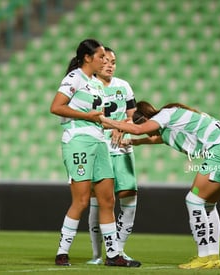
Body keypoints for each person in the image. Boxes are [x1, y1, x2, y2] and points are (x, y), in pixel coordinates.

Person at [100, 101, 220, 270]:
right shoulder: (171, 126)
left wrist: (106, 121)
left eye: (145, 123)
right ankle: (212, 256)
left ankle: (203, 257)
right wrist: (135, 142)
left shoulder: (166, 114)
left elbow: (139, 129)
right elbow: (156, 138)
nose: (149, 129)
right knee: (208, 204)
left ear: (147, 118)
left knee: (193, 200)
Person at [50, 38, 140, 267]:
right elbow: (56, 107)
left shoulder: (96, 83)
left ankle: (112, 254)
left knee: (107, 200)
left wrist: (124, 127)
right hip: (78, 141)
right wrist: (87, 117)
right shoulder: (74, 78)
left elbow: (99, 119)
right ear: (88, 58)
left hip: (100, 142)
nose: (105, 60)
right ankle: (62, 252)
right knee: (80, 200)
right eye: (101, 56)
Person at [86, 47, 139, 265]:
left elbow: (134, 117)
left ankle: (118, 249)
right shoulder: (88, 86)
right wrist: (114, 125)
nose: (110, 65)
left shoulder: (123, 86)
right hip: (100, 149)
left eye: (113, 62)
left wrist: (123, 126)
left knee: (130, 196)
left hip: (124, 148)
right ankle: (98, 254)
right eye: (105, 60)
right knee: (98, 201)